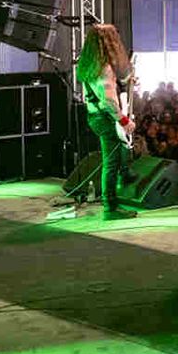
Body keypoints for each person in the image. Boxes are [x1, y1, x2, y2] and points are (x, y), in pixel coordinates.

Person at [76, 24, 138, 220]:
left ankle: (125, 174)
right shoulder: (103, 68)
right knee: (110, 162)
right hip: (105, 117)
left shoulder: (89, 63)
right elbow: (108, 100)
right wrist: (123, 120)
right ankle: (110, 207)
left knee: (117, 154)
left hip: (95, 116)